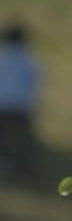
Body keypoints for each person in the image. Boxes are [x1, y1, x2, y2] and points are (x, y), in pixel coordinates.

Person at [0, 22, 42, 183]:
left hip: (2, 107)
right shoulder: (32, 61)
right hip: (22, 110)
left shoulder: (3, 58)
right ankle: (22, 169)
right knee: (22, 141)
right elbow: (35, 85)